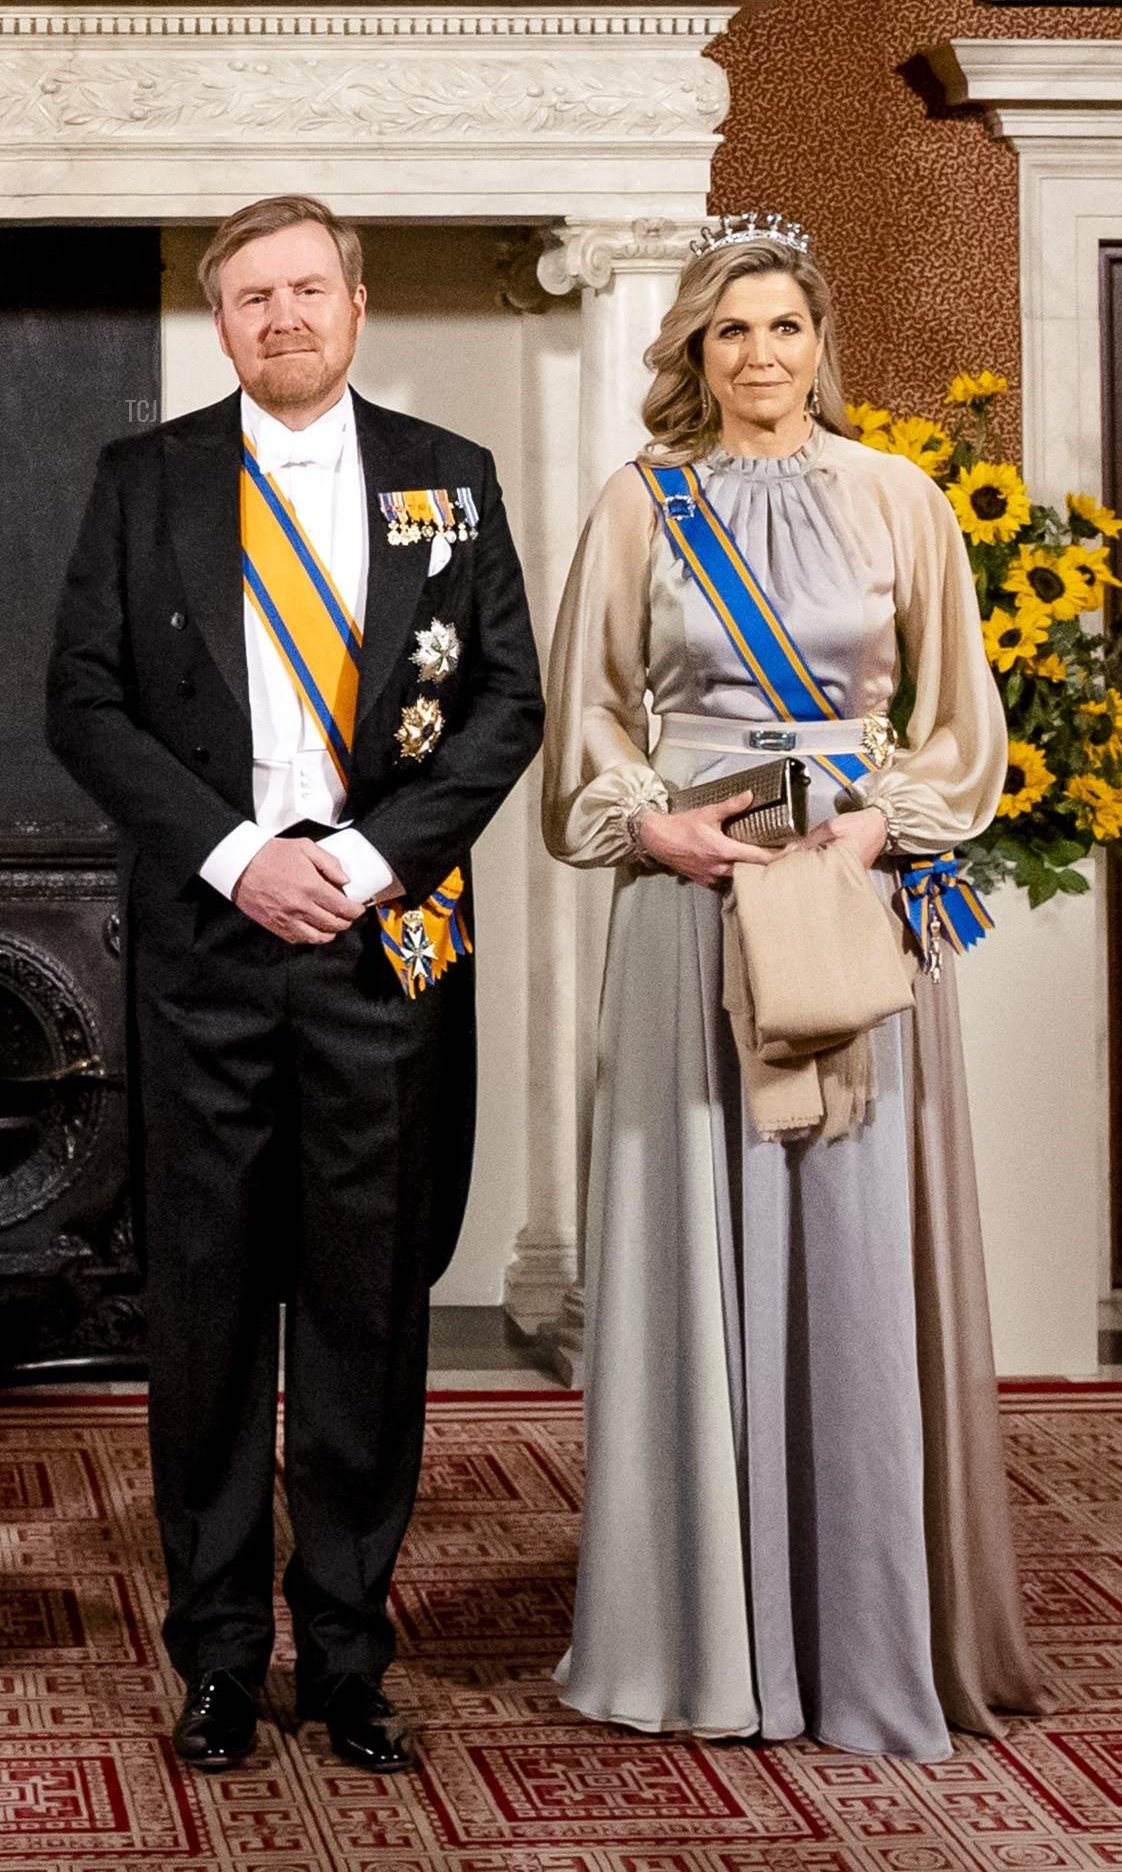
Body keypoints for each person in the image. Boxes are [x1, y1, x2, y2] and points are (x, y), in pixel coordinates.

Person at [541, 213, 1053, 1758]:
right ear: (691, 353)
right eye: (729, 332)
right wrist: (657, 829)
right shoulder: (642, 504)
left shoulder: (899, 498)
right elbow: (587, 728)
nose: (760, 356)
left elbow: (965, 728)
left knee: (851, 1244)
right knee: (695, 1243)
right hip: (692, 912)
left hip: (845, 902)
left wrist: (879, 825)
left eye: (783, 327)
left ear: (821, 339)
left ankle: (862, 1628)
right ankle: (699, 1634)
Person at [47, 195, 543, 1774]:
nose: (281, 317)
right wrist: (234, 855)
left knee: (359, 1313)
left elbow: (504, 705)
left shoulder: (446, 482)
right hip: (207, 950)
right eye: (250, 295)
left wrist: (374, 859)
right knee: (204, 1319)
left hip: (378, 947)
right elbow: (86, 701)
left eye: (305, 288)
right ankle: (212, 1656)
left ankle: (343, 1656)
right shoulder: (146, 480)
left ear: (357, 303)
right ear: (223, 320)